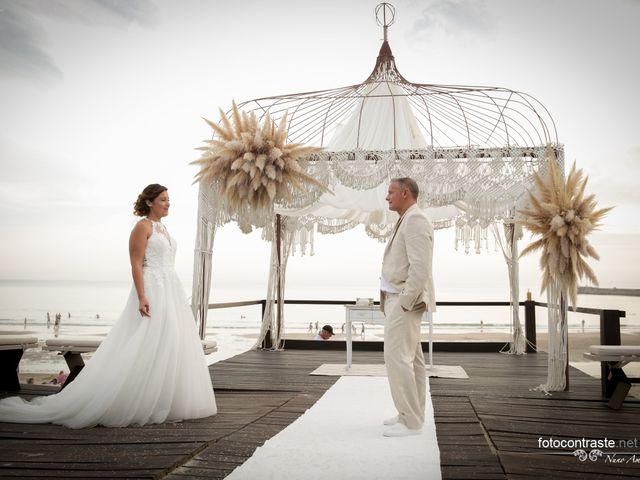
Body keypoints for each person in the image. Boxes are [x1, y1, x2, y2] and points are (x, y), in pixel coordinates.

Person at [0, 184, 217, 428]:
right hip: (152, 288)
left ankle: (162, 399)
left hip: (171, 289)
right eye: (163, 199)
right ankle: (132, 399)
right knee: (147, 340)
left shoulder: (164, 229)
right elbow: (136, 264)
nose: (168, 203)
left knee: (170, 341)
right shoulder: (142, 227)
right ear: (149, 202)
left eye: (169, 200)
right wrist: (142, 297)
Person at [380, 177, 435, 438]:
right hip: (398, 299)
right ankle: (411, 414)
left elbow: (420, 268)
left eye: (390, 192)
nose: (386, 197)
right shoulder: (406, 218)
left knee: (397, 359)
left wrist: (404, 302)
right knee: (412, 360)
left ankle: (410, 421)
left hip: (405, 302)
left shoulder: (416, 220)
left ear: (404, 193)